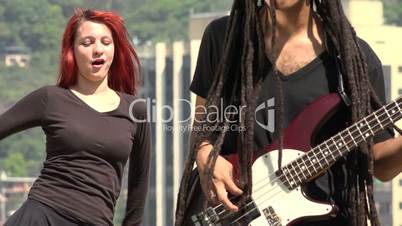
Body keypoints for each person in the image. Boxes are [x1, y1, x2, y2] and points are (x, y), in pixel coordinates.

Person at [175, 0, 402, 226]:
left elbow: (380, 165)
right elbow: (204, 127)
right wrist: (206, 155)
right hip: (231, 213)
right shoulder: (223, 37)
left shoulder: (353, 59)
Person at [1, 9, 151, 226]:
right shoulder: (51, 98)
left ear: (115, 50)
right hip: (41, 216)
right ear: (72, 51)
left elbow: (140, 180)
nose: (97, 49)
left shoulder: (135, 110)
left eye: (105, 42)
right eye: (87, 43)